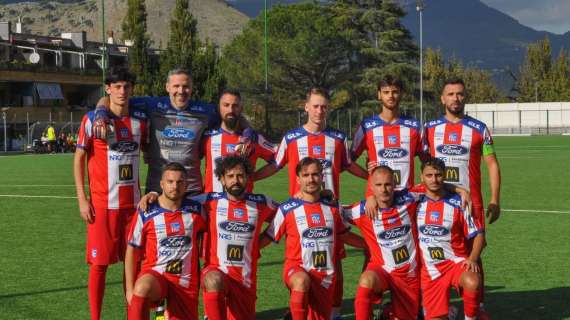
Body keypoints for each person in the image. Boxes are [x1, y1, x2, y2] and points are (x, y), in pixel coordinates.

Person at [254, 87, 368, 318]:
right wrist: (251, 178)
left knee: (334, 264)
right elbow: (275, 165)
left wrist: (372, 177)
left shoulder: (337, 138)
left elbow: (348, 165)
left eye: (324, 106)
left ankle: (331, 314)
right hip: (300, 214)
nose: (319, 111)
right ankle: (299, 309)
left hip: (330, 211)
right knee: (301, 264)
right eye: (315, 106)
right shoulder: (291, 138)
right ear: (306, 107)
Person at [93, 67, 247, 195]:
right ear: (167, 87)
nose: (181, 91)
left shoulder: (205, 111)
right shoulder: (152, 105)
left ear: (192, 88)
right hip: (158, 188)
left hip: (191, 190)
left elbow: (232, 116)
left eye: (186, 86)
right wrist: (100, 112)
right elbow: (112, 98)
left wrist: (248, 133)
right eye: (176, 86)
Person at [73, 67, 148, 320]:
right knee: (99, 266)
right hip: (103, 206)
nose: (122, 91)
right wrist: (82, 199)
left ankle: (134, 315)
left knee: (134, 265)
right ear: (108, 89)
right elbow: (79, 158)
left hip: (134, 207)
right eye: (117, 86)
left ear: (132, 89)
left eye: (126, 86)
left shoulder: (140, 120)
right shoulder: (93, 120)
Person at [423, 77, 501, 315]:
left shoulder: (479, 129)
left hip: (471, 204)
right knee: (436, 252)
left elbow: (492, 164)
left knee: (474, 256)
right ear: (442, 98)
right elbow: (423, 166)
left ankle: (478, 307)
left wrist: (495, 199)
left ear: (465, 97)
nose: (456, 98)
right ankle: (441, 305)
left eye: (460, 94)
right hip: (438, 202)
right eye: (451, 94)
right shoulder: (429, 128)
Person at [263, 157, 366, 320]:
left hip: (325, 277)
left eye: (315, 174)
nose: (311, 179)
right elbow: (268, 237)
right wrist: (251, 248)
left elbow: (345, 235)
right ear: (298, 179)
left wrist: (370, 245)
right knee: (301, 281)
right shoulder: (287, 209)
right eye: (305, 175)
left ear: (322, 177)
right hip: (297, 269)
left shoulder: (333, 207)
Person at [193, 155, 278, 320]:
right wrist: (153, 195)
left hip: (245, 280)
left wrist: (261, 241)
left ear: (247, 178)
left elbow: (288, 215)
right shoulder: (209, 201)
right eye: (230, 176)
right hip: (217, 271)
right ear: (222, 180)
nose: (236, 180)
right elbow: (175, 202)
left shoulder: (261, 202)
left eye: (240, 175)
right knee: (213, 279)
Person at [125, 162, 206, 320]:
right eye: (170, 181)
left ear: (186, 185)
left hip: (185, 281)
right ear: (161, 184)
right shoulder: (146, 211)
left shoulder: (198, 209)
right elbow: (131, 249)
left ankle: (165, 314)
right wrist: (129, 290)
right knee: (141, 288)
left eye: (180, 182)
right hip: (156, 275)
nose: (175, 186)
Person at [344, 166, 421, 320]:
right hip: (382, 270)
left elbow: (434, 185)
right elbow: (330, 212)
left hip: (408, 274)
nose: (384, 189)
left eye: (387, 184)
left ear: (394, 184)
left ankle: (387, 312)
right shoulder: (362, 210)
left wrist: (461, 191)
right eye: (378, 185)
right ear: (371, 187)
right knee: (366, 281)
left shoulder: (410, 199)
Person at [416, 157, 485, 320]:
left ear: (445, 175)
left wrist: (473, 259)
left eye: (438, 175)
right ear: (421, 177)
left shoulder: (458, 203)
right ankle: (449, 312)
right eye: (429, 175)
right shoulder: (413, 199)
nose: (434, 179)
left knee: (473, 280)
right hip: (430, 270)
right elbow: (386, 193)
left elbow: (479, 234)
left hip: (455, 263)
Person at [350, 75, 423, 194]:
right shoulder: (366, 126)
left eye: (395, 92)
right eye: (386, 92)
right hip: (377, 198)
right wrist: (368, 176)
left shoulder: (415, 126)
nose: (390, 96)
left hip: (406, 200)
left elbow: (427, 160)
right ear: (379, 94)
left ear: (401, 94)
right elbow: (347, 161)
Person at [201, 88, 275, 193]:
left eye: (235, 106)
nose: (230, 110)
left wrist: (253, 177)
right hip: (212, 206)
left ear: (241, 108)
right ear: (219, 108)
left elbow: (278, 160)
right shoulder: (207, 136)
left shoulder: (254, 138)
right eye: (226, 105)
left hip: (244, 204)